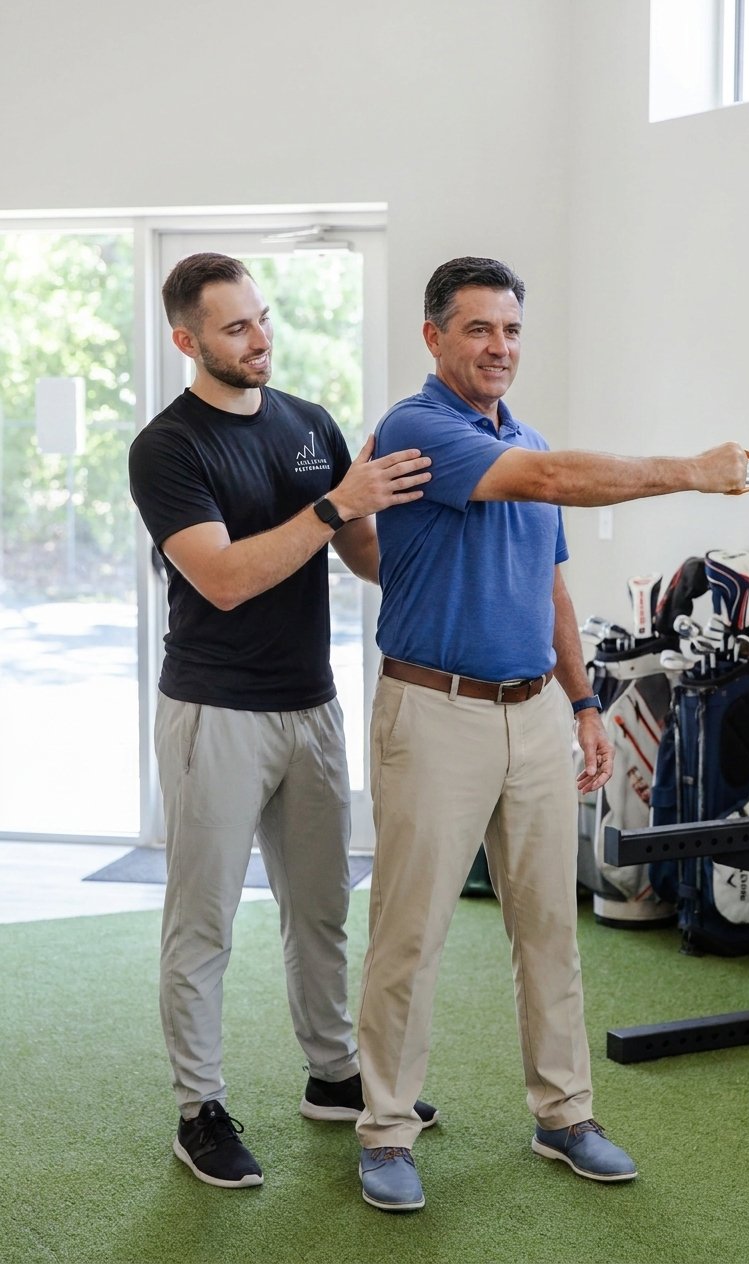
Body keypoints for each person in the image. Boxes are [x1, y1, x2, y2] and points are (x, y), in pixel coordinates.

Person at [354, 256, 748, 1212]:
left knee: (548, 931)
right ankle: (386, 1131)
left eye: (513, 331)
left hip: (531, 711)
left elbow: (550, 586)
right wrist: (692, 472)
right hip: (433, 710)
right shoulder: (419, 430)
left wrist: (581, 703)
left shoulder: (519, 435)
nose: (499, 348)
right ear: (434, 337)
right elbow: (556, 477)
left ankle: (564, 1114)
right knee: (410, 934)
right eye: (479, 329)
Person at [128, 252, 437, 1190]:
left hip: (311, 706)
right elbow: (220, 580)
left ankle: (334, 1075)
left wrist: (462, 539)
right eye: (234, 328)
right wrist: (337, 500)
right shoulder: (167, 447)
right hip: (214, 712)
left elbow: (363, 553)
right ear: (187, 340)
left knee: (321, 911)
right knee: (204, 923)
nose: (259, 339)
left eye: (262, 319)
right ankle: (200, 1110)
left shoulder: (310, 425)